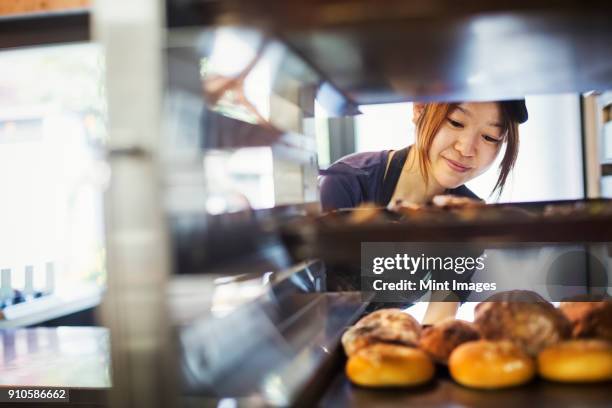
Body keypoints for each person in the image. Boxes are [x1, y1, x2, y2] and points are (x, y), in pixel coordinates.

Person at [319, 100, 528, 211]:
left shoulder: (467, 213)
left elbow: (453, 293)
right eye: (455, 122)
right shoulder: (346, 183)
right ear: (420, 109)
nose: (466, 149)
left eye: (490, 137)